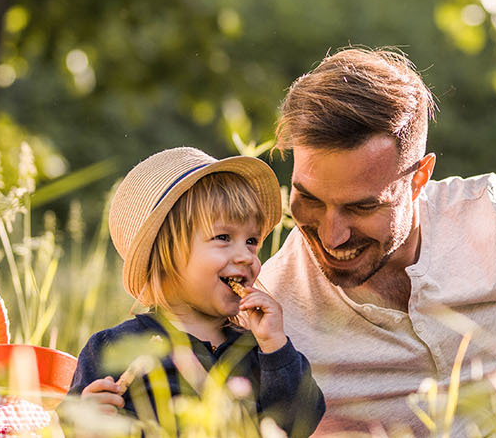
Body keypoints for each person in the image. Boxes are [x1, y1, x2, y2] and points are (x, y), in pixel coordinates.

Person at [258, 47, 496, 436]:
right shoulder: (269, 314)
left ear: (419, 178)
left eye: (362, 207)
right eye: (309, 198)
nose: (332, 235)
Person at [68, 147, 325, 437]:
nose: (246, 256)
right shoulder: (113, 347)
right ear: (166, 257)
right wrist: (87, 418)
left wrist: (275, 345)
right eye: (223, 237)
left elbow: (299, 424)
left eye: (251, 240)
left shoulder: (256, 352)